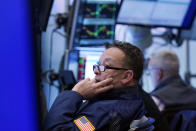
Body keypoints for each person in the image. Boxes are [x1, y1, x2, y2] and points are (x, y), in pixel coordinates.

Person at [44, 41, 148, 131]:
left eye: (106, 66)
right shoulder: (129, 101)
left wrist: (75, 94)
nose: (96, 71)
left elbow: (56, 129)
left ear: (127, 76)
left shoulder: (109, 111)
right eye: (98, 65)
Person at [148, 50, 196, 118]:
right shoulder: (194, 94)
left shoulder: (155, 100)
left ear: (159, 73)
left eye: (150, 71)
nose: (150, 75)